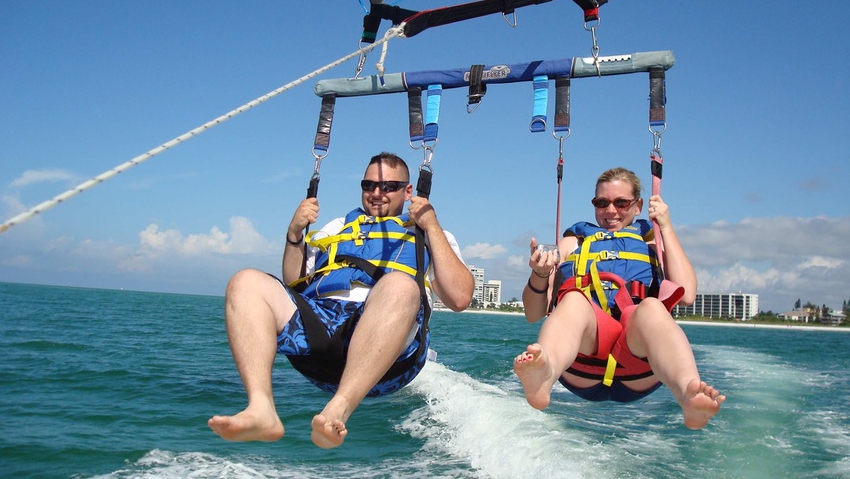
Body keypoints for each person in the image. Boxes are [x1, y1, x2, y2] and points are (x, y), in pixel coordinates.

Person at [208, 152, 474, 448]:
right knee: (245, 281)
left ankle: (339, 409)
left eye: (388, 187)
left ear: (408, 191)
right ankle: (261, 409)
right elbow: (294, 282)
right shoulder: (338, 227)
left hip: (388, 355)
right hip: (320, 335)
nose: (376, 193)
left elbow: (460, 298)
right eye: (369, 185)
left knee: (400, 284)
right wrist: (294, 234)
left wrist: (431, 226)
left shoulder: (430, 235)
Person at [513, 167, 725, 429]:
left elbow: (687, 294)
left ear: (638, 206)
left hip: (636, 360)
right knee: (575, 300)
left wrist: (666, 227)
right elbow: (534, 314)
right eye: (601, 203)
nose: (610, 211)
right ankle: (545, 374)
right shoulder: (573, 242)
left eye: (621, 203)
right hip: (582, 361)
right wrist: (540, 274)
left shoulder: (652, 242)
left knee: (651, 307)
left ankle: (688, 393)